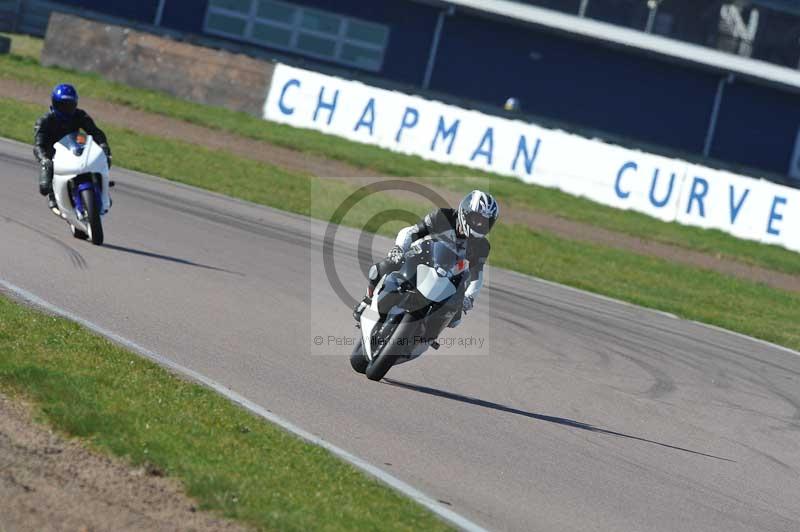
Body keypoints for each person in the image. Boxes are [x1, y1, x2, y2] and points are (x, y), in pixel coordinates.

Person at [354, 190, 499, 327]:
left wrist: (469, 298)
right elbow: (412, 231)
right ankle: (367, 300)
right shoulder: (444, 216)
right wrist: (399, 248)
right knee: (390, 264)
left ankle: (426, 336)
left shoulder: (482, 246)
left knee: (455, 319)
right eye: (477, 219)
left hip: (449, 278)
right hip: (423, 258)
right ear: (466, 211)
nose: (480, 224)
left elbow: (476, 275)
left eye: (485, 222)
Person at [34, 84, 112, 211]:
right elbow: (38, 145)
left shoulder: (79, 115)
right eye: (62, 105)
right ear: (54, 104)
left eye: (69, 105)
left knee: (103, 156)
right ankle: (53, 195)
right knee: (46, 171)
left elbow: (95, 132)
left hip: (75, 148)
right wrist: (44, 159)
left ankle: (102, 189)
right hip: (55, 155)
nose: (65, 109)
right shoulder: (44, 121)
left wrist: (103, 145)